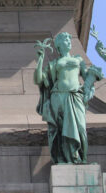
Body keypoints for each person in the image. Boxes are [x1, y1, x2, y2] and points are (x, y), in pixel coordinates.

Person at [34, 32, 103, 163]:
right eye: (65, 40)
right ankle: (67, 159)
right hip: (58, 97)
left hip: (75, 96)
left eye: (69, 39)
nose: (68, 41)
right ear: (59, 45)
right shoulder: (54, 63)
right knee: (63, 130)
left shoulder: (78, 59)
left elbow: (87, 75)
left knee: (81, 128)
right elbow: (38, 80)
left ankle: (83, 158)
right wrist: (41, 59)